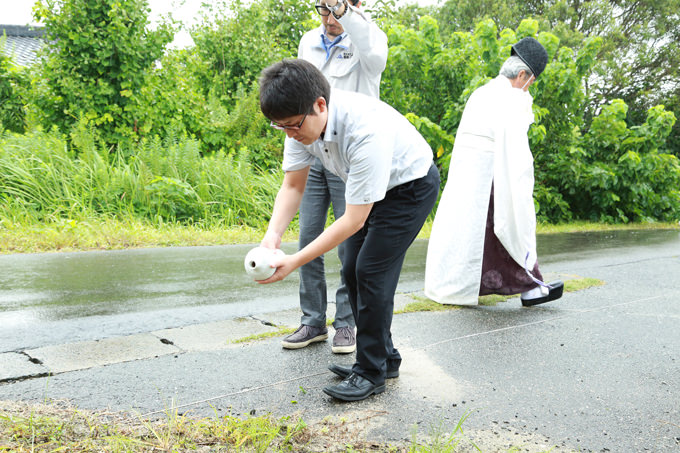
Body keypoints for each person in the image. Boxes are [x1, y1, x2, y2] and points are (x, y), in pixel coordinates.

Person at [258, 59, 440, 401]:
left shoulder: (364, 129)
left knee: (370, 270)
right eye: (279, 127)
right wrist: (273, 236)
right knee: (352, 266)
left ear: (320, 105)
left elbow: (354, 219)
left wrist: (295, 260)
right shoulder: (294, 120)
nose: (290, 134)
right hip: (374, 187)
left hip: (410, 188)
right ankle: (384, 358)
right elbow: (293, 186)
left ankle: (370, 372)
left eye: (293, 126)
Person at [281, 0, 388, 354]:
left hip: (349, 155)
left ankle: (346, 323)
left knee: (348, 243)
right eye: (322, 10)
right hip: (313, 152)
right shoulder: (308, 41)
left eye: (335, 10)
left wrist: (346, 13)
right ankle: (312, 320)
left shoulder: (368, 41)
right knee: (309, 235)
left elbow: (374, 55)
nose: (328, 20)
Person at [424, 37, 564, 307]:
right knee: (509, 224)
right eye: (531, 81)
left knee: (474, 235)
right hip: (493, 176)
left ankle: (458, 287)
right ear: (522, 74)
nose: (528, 88)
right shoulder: (511, 97)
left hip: (468, 176)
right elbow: (515, 147)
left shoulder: (483, 91)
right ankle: (531, 287)